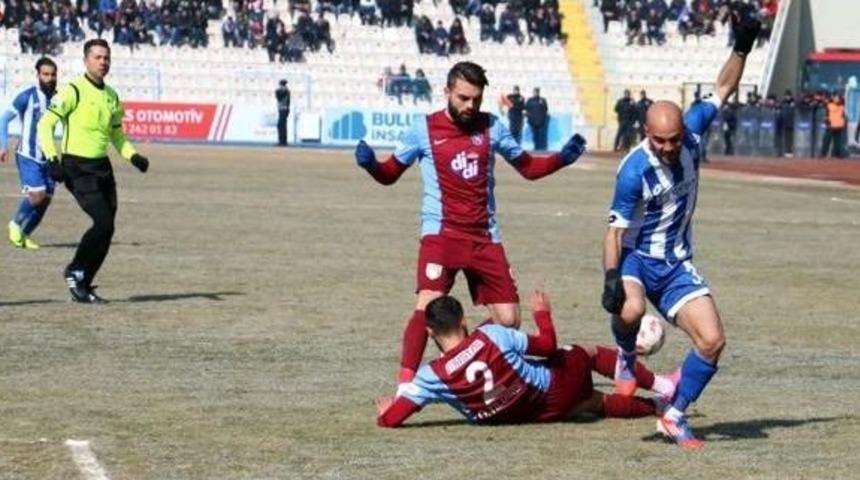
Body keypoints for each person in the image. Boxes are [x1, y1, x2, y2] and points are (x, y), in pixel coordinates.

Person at [354, 61, 587, 385]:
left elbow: (529, 168)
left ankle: (462, 355)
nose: (470, 105)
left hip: (484, 237)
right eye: (463, 98)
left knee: (508, 321)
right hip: (442, 234)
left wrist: (562, 158)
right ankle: (406, 385)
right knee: (427, 305)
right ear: (447, 92)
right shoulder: (423, 129)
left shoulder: (493, 128)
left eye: (476, 99)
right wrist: (372, 167)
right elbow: (390, 174)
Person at [600, 7, 760, 450]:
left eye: (674, 140)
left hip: (675, 264)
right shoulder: (634, 171)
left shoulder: (691, 132)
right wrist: (612, 277)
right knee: (629, 312)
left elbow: (723, 88)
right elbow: (614, 231)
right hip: (636, 259)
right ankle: (626, 357)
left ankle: (673, 414)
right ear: (647, 134)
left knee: (713, 340)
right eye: (661, 142)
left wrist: (742, 46)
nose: (670, 148)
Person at [376, 290, 679, 427]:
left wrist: (385, 412)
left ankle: (656, 406)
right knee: (587, 352)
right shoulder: (492, 335)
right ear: (463, 322)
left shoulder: (431, 376)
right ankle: (661, 385)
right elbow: (547, 346)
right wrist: (542, 315)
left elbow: (392, 418)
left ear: (430, 333)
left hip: (523, 416)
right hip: (546, 394)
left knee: (593, 402)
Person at [37, 39, 150, 304]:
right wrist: (53, 159)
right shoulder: (71, 90)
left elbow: (117, 135)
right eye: (98, 57)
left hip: (102, 168)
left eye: (106, 58)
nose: (103, 62)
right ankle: (75, 270)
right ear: (86, 60)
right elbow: (45, 124)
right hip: (77, 168)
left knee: (107, 230)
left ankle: (83, 284)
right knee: (103, 223)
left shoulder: (112, 95)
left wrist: (133, 157)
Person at [0, 57, 57, 250]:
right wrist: (2, 145)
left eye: (52, 74)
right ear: (38, 75)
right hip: (27, 155)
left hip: (48, 157)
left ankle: (25, 235)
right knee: (37, 196)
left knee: (46, 200)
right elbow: (4, 119)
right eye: (45, 74)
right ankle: (15, 224)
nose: (49, 78)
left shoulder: (58, 99)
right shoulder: (27, 97)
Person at [820, 93, 847, 158]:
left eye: (837, 97)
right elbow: (826, 115)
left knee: (838, 142)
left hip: (839, 126)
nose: (836, 99)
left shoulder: (842, 105)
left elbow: (843, 115)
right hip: (831, 126)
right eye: (835, 97)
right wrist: (827, 121)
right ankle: (823, 154)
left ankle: (837, 154)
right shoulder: (829, 105)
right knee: (826, 141)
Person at [275, 79, 290, 146]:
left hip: (284, 109)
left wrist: (280, 90)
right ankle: (282, 141)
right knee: (282, 125)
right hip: (282, 109)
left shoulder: (285, 91)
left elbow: (279, 97)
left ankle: (282, 141)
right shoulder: (285, 91)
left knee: (281, 125)